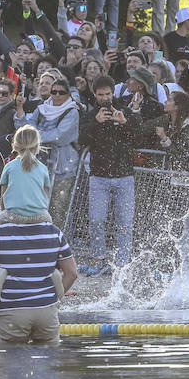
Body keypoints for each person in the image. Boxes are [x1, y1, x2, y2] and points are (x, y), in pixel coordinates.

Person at [0, 186, 77, 345]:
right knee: (48, 363)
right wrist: (53, 301)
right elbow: (72, 273)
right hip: (46, 313)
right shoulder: (54, 232)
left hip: (12, 313)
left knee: (8, 364)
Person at [80, 79, 141, 276]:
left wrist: (124, 122)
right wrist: (96, 123)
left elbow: (138, 137)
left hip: (125, 176)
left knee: (125, 222)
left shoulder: (125, 111)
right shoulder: (91, 115)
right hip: (99, 177)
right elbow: (81, 140)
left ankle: (123, 263)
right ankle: (99, 259)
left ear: (113, 92)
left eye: (107, 94)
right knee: (96, 220)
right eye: (100, 95)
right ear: (95, 94)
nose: (104, 98)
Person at [22, 76, 80, 226]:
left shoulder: (72, 111)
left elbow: (58, 136)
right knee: (36, 205)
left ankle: (57, 242)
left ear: (68, 94)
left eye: (61, 92)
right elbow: (28, 128)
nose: (57, 95)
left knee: (58, 208)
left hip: (63, 168)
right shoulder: (41, 108)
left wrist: (36, 135)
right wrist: (35, 134)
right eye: (54, 92)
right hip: (39, 166)